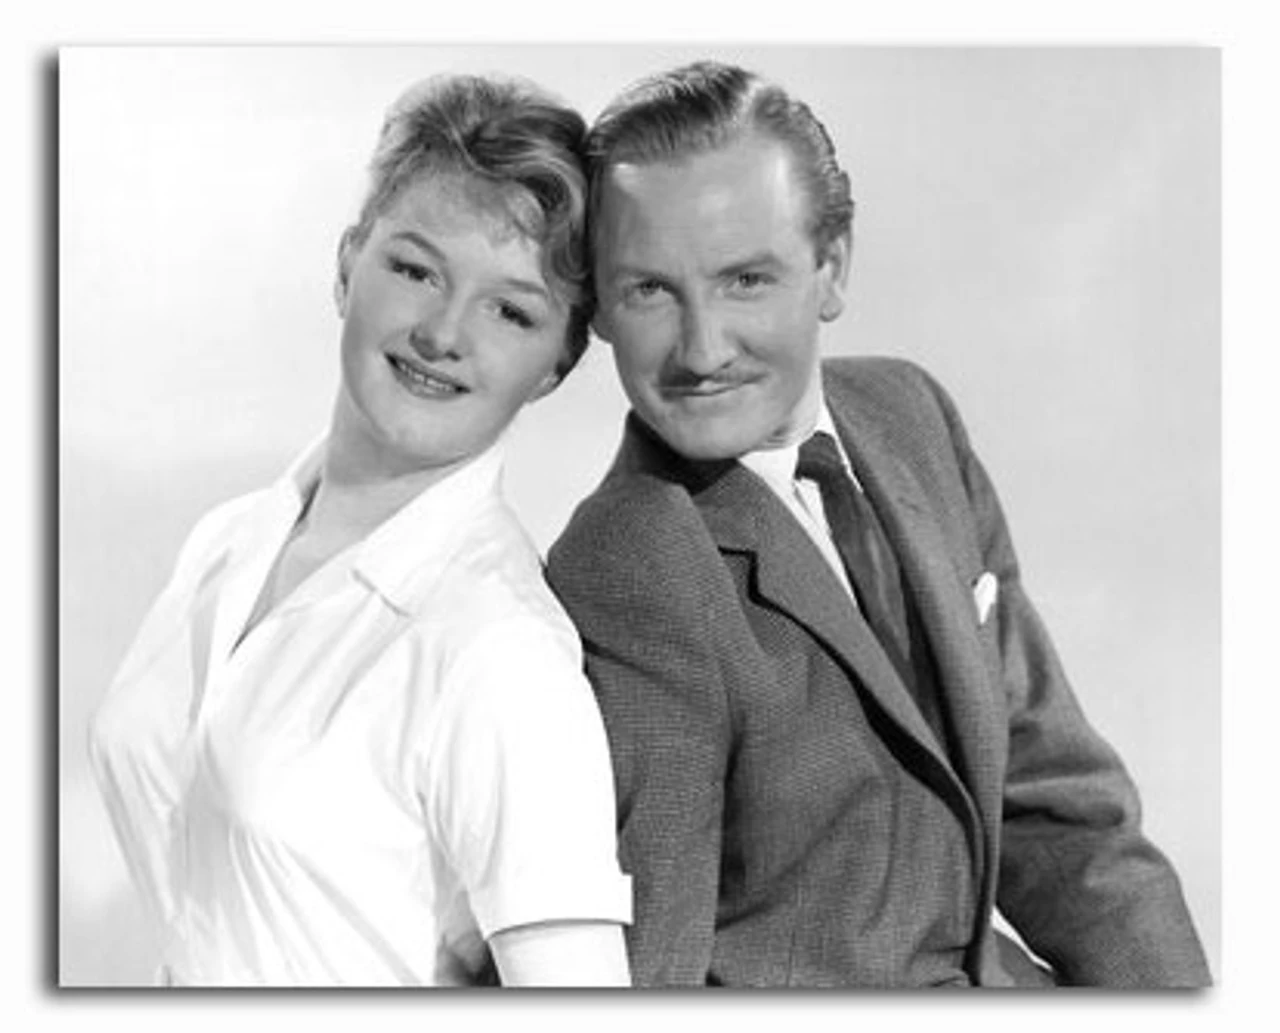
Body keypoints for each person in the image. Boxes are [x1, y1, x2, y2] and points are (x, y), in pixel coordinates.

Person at [546, 60, 1210, 988]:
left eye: (745, 279)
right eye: (649, 290)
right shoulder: (630, 561)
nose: (702, 349)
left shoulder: (909, 413)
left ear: (832, 267)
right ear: (601, 313)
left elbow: (1058, 806)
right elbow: (656, 972)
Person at [88, 73, 631, 988]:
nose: (444, 333)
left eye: (511, 310)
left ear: (556, 365)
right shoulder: (230, 539)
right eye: (416, 270)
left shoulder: (499, 649)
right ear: (347, 265)